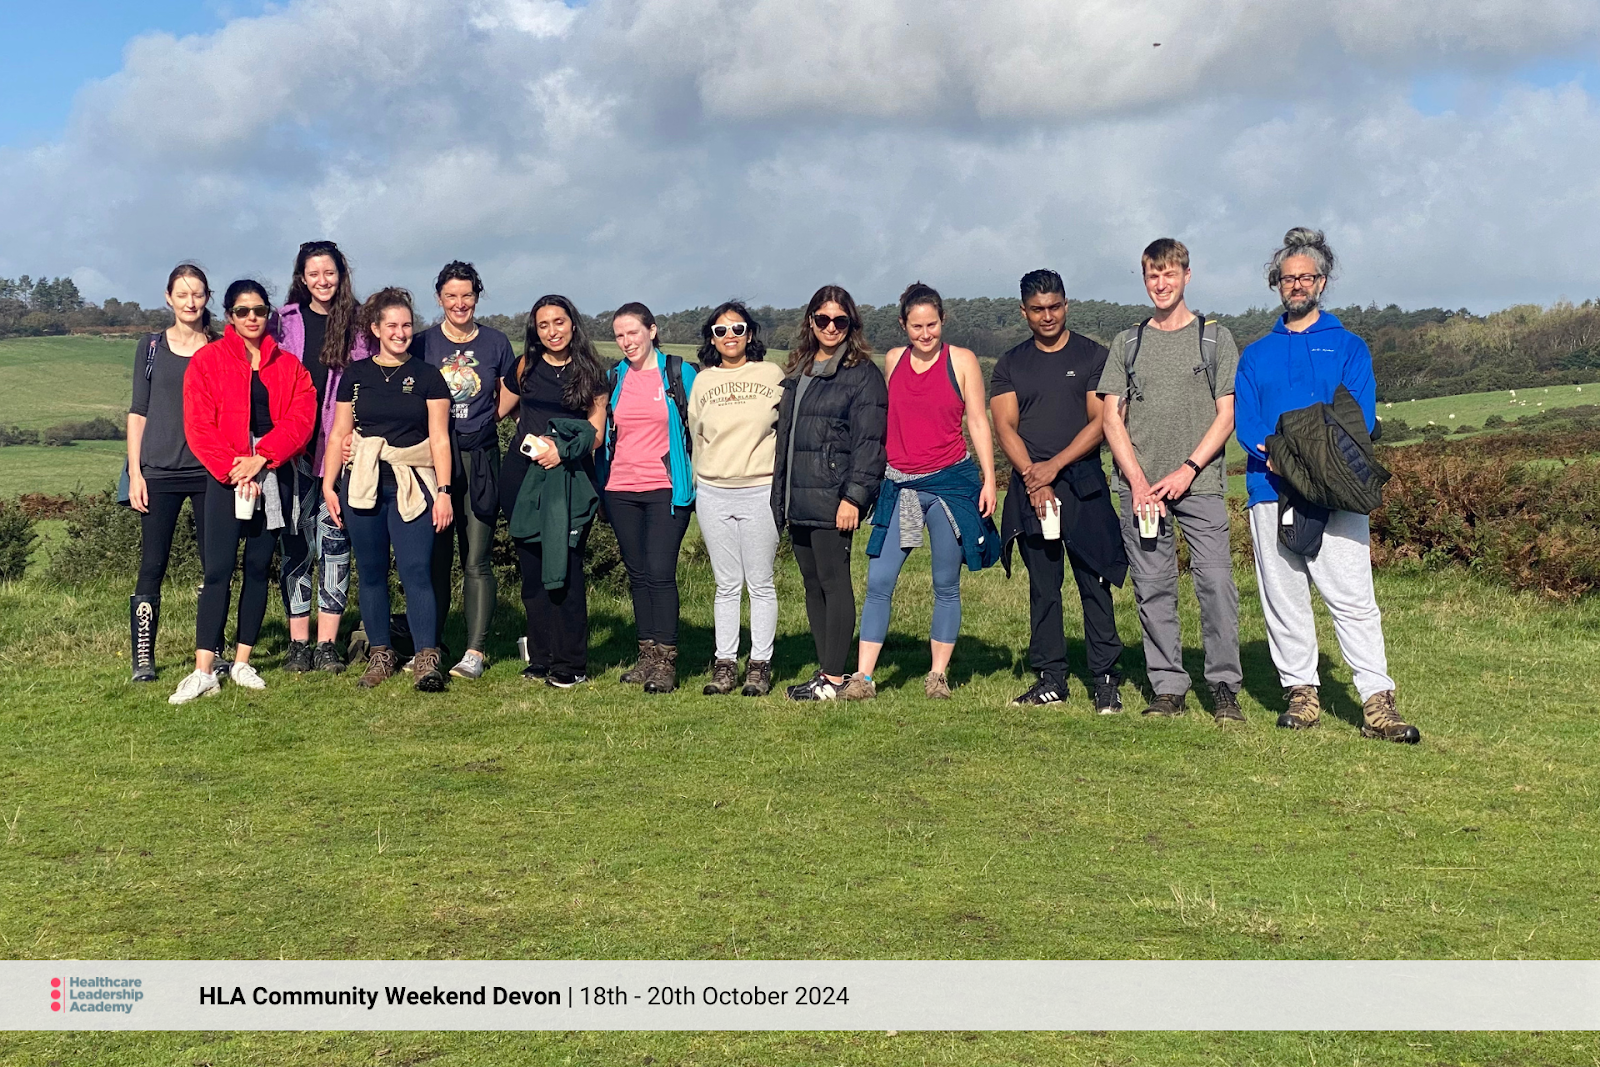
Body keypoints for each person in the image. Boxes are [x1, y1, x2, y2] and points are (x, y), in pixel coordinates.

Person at [1234, 227, 1420, 743]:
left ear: (1321, 281)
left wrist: (1312, 465)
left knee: (1353, 598)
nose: (1296, 285)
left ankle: (1377, 703)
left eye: (1305, 277)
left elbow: (1357, 419)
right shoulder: (1255, 355)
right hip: (1271, 488)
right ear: (1277, 284)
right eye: (1287, 278)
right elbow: (1248, 424)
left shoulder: (1349, 347)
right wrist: (1281, 459)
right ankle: (1302, 694)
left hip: (1337, 490)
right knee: (1284, 598)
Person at [1097, 239, 1244, 723]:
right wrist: (1138, 482)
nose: (1161, 284)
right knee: (1153, 587)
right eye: (1152, 276)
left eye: (1169, 274)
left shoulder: (1214, 338)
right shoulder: (1127, 342)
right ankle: (1167, 688)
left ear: (1186, 276)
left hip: (1199, 484)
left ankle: (1224, 687)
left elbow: (1228, 414)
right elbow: (1111, 419)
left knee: (1216, 584)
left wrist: (1189, 469)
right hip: (1139, 490)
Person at [846, 282, 999, 700]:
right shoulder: (893, 360)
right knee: (880, 579)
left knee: (945, 582)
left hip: (948, 488)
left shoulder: (962, 361)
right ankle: (863, 678)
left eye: (932, 325)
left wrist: (989, 478)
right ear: (903, 325)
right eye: (917, 326)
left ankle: (937, 676)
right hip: (904, 490)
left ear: (942, 321)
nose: (925, 334)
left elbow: (978, 420)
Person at [168, 280, 316, 704]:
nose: (252, 317)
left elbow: (301, 418)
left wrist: (262, 458)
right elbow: (199, 424)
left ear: (269, 314)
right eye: (242, 311)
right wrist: (235, 469)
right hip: (225, 477)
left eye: (259, 310)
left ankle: (242, 661)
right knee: (217, 570)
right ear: (229, 316)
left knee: (256, 567)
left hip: (271, 473)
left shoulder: (289, 365)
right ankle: (203, 670)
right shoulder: (208, 361)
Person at [992, 269, 1129, 711]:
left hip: (1082, 482)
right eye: (1038, 310)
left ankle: (1105, 678)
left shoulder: (1093, 356)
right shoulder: (1010, 364)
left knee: (1095, 580)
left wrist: (1053, 467)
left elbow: (1101, 421)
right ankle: (1051, 678)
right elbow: (1004, 426)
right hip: (1030, 486)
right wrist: (1033, 476)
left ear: (1066, 305)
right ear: (1023, 312)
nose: (1047, 316)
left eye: (1054, 307)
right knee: (1044, 586)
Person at [323, 287, 455, 692]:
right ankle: (381, 653)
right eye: (392, 325)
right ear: (376, 329)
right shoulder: (356, 375)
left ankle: (426, 657)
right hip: (362, 484)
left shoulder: (429, 376)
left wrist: (445, 491)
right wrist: (329, 484)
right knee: (371, 571)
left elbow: (440, 439)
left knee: (416, 571)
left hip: (413, 483)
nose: (400, 333)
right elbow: (339, 433)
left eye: (407, 325)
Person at [770, 285, 888, 701]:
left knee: (834, 582)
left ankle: (835, 678)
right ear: (811, 321)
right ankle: (826, 673)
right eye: (823, 319)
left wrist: (854, 497)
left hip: (834, 497)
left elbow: (870, 444)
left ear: (851, 324)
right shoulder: (801, 368)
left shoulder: (862, 374)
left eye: (840, 320)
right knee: (812, 582)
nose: (831, 327)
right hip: (799, 495)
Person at [268, 240, 373, 674]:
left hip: (340, 452)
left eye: (329, 272)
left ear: (341, 275)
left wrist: (356, 437)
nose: (322, 280)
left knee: (335, 543)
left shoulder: (361, 323)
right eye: (313, 273)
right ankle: (298, 643)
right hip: (291, 450)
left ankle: (327, 643)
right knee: (295, 544)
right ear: (302, 277)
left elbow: (370, 383)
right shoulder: (283, 321)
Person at [498, 295, 609, 688]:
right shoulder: (525, 366)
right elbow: (499, 409)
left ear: (572, 324)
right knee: (532, 573)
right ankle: (541, 658)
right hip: (521, 479)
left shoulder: (591, 372)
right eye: (543, 325)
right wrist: (528, 435)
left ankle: (571, 663)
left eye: (558, 322)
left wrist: (559, 450)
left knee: (566, 570)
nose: (552, 331)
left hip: (570, 481)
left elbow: (596, 434)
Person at [415, 261, 517, 680]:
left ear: (477, 296)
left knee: (476, 558)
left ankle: (474, 651)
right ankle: (431, 647)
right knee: (435, 560)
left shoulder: (495, 343)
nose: (460, 303)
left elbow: (510, 390)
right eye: (451, 296)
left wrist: (489, 419)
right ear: (439, 298)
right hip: (433, 460)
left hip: (480, 459)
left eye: (467, 295)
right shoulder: (422, 343)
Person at [126, 264, 221, 683]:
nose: (190, 302)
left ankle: (213, 650)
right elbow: (138, 411)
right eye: (182, 294)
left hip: (208, 470)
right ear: (169, 298)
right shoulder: (150, 347)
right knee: (152, 563)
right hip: (158, 471)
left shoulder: (221, 346)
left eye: (197, 294)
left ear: (207, 298)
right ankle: (143, 658)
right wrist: (135, 473)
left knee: (214, 565)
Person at [687, 301, 785, 697]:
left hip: (760, 490)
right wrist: (700, 481)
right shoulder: (703, 381)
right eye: (721, 330)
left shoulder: (772, 374)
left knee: (760, 582)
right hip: (714, 492)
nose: (730, 336)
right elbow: (696, 435)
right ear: (712, 338)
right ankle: (725, 664)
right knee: (726, 584)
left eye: (738, 329)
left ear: (750, 334)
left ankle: (759, 666)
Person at [600, 302, 697, 694]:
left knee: (659, 572)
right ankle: (646, 656)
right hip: (620, 488)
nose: (627, 341)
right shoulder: (614, 377)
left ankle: (666, 662)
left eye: (633, 333)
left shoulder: (678, 372)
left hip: (666, 489)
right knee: (638, 575)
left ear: (652, 331)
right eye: (620, 335)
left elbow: (700, 427)